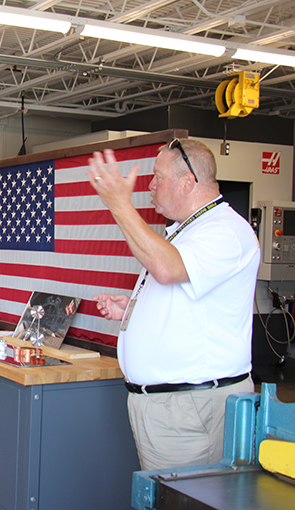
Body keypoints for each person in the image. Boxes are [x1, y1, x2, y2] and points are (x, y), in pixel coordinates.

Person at [88, 139, 259, 471]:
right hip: (168, 406)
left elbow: (167, 269)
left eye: (158, 176)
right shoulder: (186, 230)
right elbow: (182, 291)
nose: (150, 186)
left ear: (188, 182)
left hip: (192, 408)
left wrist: (119, 205)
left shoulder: (226, 230)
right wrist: (133, 310)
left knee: (188, 500)